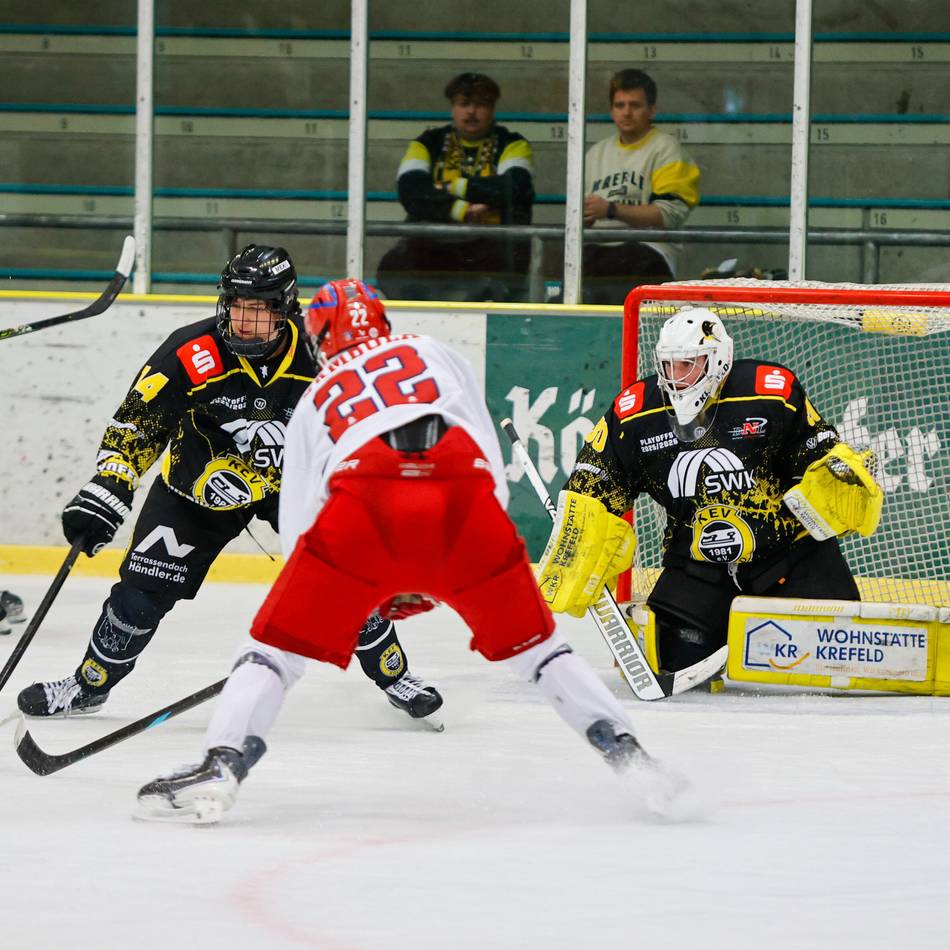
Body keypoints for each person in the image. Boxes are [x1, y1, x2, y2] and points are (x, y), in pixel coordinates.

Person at [134, 278, 688, 824]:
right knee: (541, 651)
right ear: (382, 323)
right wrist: (459, 558)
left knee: (272, 653)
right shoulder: (431, 350)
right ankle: (630, 755)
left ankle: (223, 762)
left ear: (320, 336)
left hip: (362, 503)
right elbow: (483, 450)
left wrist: (349, 592)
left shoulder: (317, 393)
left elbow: (301, 522)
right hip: (465, 498)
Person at [17, 247, 442, 725]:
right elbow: (137, 424)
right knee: (138, 596)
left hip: (293, 487)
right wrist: (111, 483)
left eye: (256, 310)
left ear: (284, 309)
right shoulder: (192, 350)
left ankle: (395, 676)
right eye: (236, 306)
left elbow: (363, 427)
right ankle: (89, 685)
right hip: (194, 491)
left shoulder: (319, 353)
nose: (242, 321)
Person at [535, 307, 882, 675]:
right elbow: (596, 483)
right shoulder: (635, 413)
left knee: (839, 657)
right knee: (671, 661)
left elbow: (816, 454)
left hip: (786, 557)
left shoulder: (770, 393)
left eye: (688, 364)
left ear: (717, 359)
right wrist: (578, 530)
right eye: (668, 366)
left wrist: (838, 475)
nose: (676, 377)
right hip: (698, 565)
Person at [375, 72, 535, 302]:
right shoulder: (427, 143)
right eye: (464, 104)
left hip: (493, 246)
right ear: (453, 107)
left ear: (492, 108)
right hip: (433, 245)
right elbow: (411, 191)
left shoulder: (513, 143)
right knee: (393, 268)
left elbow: (513, 187)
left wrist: (453, 186)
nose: (471, 111)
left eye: (480, 104)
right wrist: (460, 210)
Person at [582, 68, 701, 305]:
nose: (626, 112)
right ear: (611, 110)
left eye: (635, 105)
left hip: (648, 252)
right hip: (599, 251)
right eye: (620, 105)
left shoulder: (666, 148)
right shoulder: (595, 153)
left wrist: (611, 210)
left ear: (652, 110)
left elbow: (667, 215)